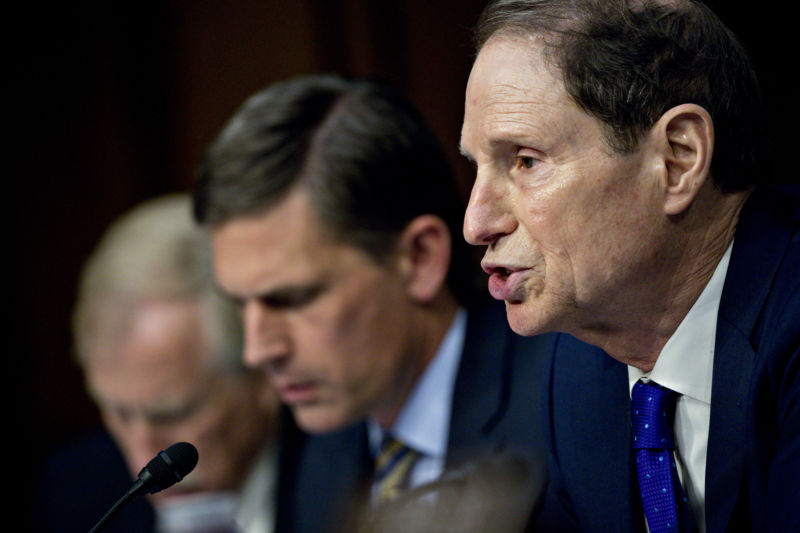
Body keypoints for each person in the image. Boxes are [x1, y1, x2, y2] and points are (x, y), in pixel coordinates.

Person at [459, 1, 799, 532]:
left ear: (678, 159)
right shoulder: (575, 365)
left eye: (524, 160)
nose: (476, 223)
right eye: (476, 167)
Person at [193, 74, 552, 533]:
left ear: (419, 258)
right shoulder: (314, 447)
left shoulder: (559, 407)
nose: (258, 350)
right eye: (240, 305)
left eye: (293, 299)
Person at [35, 194, 281, 533]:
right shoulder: (75, 495)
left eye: (172, 415)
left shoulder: (349, 478)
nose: (141, 458)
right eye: (119, 413)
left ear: (262, 376)